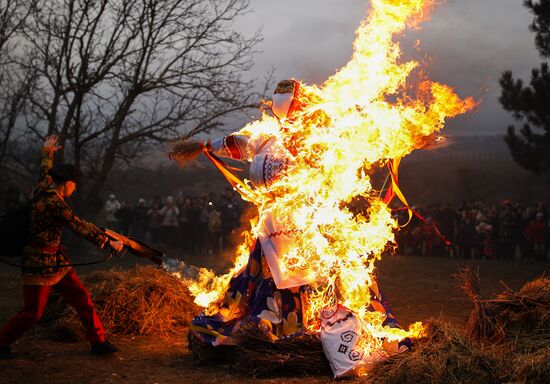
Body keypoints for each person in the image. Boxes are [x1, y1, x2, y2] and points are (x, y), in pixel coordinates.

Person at [169, 80, 409, 352]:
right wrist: (203, 146)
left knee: (313, 279)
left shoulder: (321, 140)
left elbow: (360, 142)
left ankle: (321, 328)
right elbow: (235, 143)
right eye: (284, 108)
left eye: (292, 106)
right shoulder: (265, 140)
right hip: (272, 223)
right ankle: (270, 325)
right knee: (262, 280)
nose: (290, 114)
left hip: (308, 223)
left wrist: (398, 136)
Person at [0, 135, 123, 359]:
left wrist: (47, 152)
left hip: (57, 261)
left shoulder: (44, 186)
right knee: (33, 312)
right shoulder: (54, 203)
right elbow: (78, 225)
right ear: (66, 183)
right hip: (38, 263)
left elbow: (44, 170)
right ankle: (1, 343)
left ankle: (98, 341)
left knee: (81, 298)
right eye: (74, 184)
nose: (75, 189)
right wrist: (108, 241)